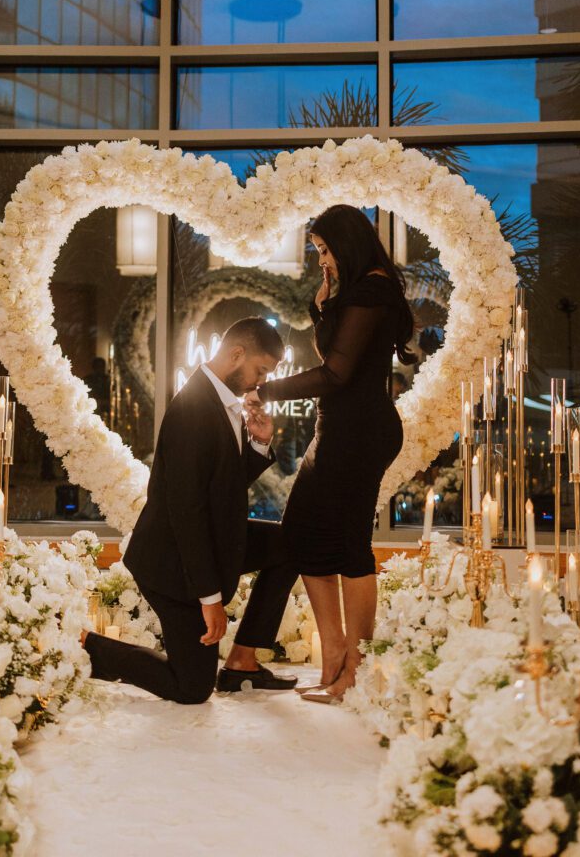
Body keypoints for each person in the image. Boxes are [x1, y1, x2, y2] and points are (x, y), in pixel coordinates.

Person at [84, 318, 299, 703]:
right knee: (192, 688)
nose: (262, 381)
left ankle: (242, 661)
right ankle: (90, 647)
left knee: (291, 543)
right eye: (261, 370)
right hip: (173, 564)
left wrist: (259, 444)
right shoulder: (193, 409)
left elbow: (222, 485)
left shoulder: (221, 400)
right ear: (237, 355)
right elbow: (188, 513)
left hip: (215, 541)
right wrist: (210, 598)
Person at [249, 205, 414, 702]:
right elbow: (340, 358)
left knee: (348, 543)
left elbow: (336, 374)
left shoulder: (373, 291)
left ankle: (355, 670)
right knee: (302, 532)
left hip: (360, 431)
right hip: (339, 427)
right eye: (317, 251)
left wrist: (266, 389)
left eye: (325, 250)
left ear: (347, 243)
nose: (322, 260)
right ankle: (335, 658)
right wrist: (322, 310)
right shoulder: (358, 292)